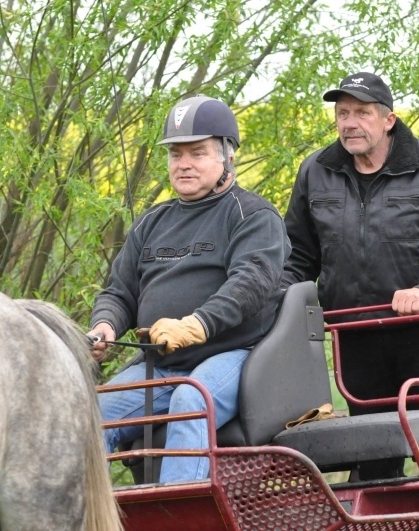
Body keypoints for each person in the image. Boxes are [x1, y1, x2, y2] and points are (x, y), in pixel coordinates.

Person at [282, 71, 419, 480]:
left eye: (362, 113)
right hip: (353, 336)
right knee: (372, 463)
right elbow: (297, 257)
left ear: (388, 120)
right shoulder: (316, 172)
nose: (350, 123)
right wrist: (279, 309)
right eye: (342, 113)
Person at [89, 95, 290, 484]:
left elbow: (250, 284)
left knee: (191, 399)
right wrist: (106, 326)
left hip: (236, 355)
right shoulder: (152, 221)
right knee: (88, 413)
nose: (183, 164)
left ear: (227, 156)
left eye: (197, 153)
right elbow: (120, 292)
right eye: (175, 154)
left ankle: (182, 510)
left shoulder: (253, 215)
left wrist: (196, 324)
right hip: (161, 363)